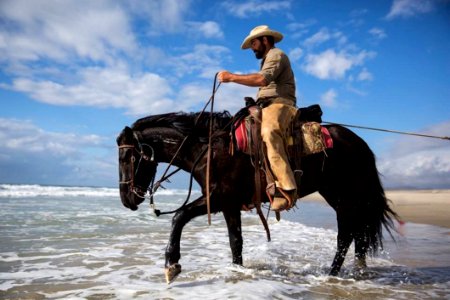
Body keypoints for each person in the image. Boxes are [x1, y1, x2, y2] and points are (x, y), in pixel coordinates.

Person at [218, 25, 298, 212]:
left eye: (254, 42)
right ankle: (250, 188)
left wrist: (231, 77)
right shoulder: (266, 59)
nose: (253, 47)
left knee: (269, 133)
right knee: (239, 133)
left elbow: (262, 80)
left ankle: (287, 189)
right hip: (265, 105)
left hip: (281, 104)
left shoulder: (277, 55)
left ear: (265, 40)